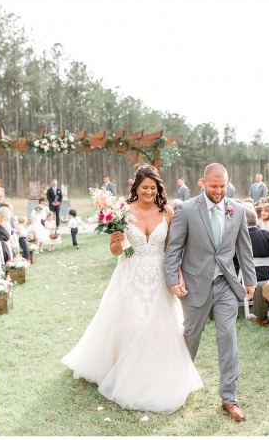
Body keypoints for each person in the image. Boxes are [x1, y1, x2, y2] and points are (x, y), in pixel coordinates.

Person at [62, 165, 203, 413]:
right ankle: (122, 370)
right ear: (136, 187)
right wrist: (117, 242)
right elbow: (117, 251)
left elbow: (172, 249)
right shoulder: (122, 212)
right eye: (145, 187)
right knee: (131, 325)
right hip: (130, 274)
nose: (149, 191)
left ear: (158, 189)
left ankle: (155, 374)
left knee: (159, 327)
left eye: (153, 187)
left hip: (158, 277)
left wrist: (177, 273)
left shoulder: (168, 212)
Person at [164, 163, 256, 422]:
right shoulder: (187, 209)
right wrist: (172, 279)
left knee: (228, 338)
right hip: (194, 285)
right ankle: (179, 385)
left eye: (222, 186)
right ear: (202, 183)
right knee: (191, 336)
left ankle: (230, 398)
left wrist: (250, 280)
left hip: (226, 284)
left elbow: (244, 248)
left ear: (229, 182)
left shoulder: (237, 209)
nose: (218, 190)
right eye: (213, 185)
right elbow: (174, 248)